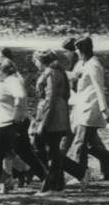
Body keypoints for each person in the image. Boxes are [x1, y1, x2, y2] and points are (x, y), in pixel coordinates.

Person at [0, 58, 47, 194]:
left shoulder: (11, 81)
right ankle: (48, 179)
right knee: (25, 153)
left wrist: (17, 111)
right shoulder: (8, 81)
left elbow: (20, 96)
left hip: (10, 125)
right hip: (11, 124)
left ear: (2, 71)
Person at [69, 35, 109, 184]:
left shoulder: (94, 65)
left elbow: (99, 88)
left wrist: (104, 110)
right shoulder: (84, 64)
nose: (75, 53)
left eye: (76, 50)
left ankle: (80, 174)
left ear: (81, 50)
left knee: (79, 144)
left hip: (90, 109)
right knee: (90, 145)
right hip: (82, 108)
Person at [30, 49, 79, 193]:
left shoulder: (51, 72)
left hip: (52, 115)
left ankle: (50, 185)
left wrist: (43, 123)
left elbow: (49, 98)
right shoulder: (58, 71)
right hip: (57, 113)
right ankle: (57, 184)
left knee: (49, 150)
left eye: (36, 61)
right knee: (52, 150)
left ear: (41, 60)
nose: (35, 64)